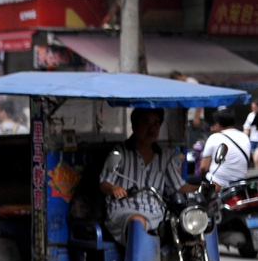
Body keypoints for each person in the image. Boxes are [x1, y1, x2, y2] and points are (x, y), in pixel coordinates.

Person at [100, 108, 197, 245]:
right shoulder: (120, 152)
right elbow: (104, 183)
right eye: (145, 122)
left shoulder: (164, 157)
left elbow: (178, 186)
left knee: (188, 222)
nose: (151, 128)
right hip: (124, 211)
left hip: (157, 213)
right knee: (138, 222)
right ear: (134, 126)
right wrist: (114, 188)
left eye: (156, 124)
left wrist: (201, 189)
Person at [201, 108, 250, 189]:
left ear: (217, 124)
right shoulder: (244, 137)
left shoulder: (214, 138)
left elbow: (203, 167)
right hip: (240, 182)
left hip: (218, 183)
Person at [171, 71, 205, 146]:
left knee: (193, 141)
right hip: (188, 117)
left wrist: (197, 117)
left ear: (178, 78)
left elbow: (199, 99)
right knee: (188, 140)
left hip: (194, 117)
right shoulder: (184, 85)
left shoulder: (191, 82)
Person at [242, 99, 258, 167]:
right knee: (255, 160)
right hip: (253, 140)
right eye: (252, 107)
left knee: (257, 158)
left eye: (255, 107)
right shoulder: (250, 115)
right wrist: (242, 138)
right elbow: (246, 128)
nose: (253, 109)